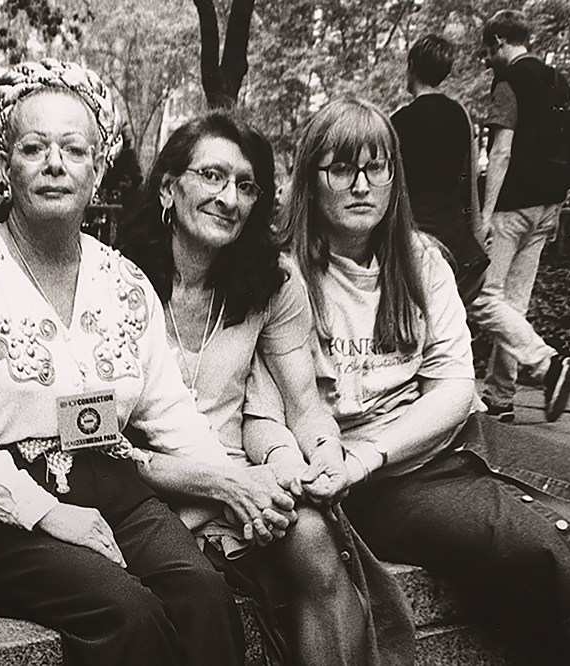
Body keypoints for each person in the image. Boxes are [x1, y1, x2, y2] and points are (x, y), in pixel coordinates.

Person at [0, 59, 298, 666]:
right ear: (5, 165)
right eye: (33, 147)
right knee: (127, 613)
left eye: (74, 149)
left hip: (114, 485)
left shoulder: (125, 282)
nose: (55, 163)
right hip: (9, 508)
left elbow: (170, 412)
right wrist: (50, 514)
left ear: (98, 167)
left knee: (203, 593)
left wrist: (233, 487)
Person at [245, 97, 570, 662]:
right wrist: (330, 464)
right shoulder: (279, 276)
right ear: (310, 179)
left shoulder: (422, 261)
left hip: (423, 453)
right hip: (354, 484)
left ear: (396, 177)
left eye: (377, 168)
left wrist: (372, 452)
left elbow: (454, 387)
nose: (361, 185)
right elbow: (266, 408)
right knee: (537, 552)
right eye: (341, 168)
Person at [118, 112, 414, 666]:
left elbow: (302, 404)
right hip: (146, 484)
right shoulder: (112, 280)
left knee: (316, 542)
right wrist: (225, 484)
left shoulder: (271, 282)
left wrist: (325, 454)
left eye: (247, 185)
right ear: (167, 187)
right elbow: (98, 447)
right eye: (211, 176)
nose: (229, 198)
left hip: (248, 480)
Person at [473, 9, 570, 422]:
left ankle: (549, 365)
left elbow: (501, 151)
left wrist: (484, 215)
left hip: (512, 207)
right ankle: (500, 397)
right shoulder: (558, 82)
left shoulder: (508, 81)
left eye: (486, 49)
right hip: (549, 205)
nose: (485, 58)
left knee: (481, 300)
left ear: (498, 40)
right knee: (514, 304)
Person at [391, 34, 488, 306]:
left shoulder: (398, 122)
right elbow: (469, 179)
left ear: (411, 66)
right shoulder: (460, 115)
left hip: (415, 237)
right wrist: (476, 231)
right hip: (455, 234)